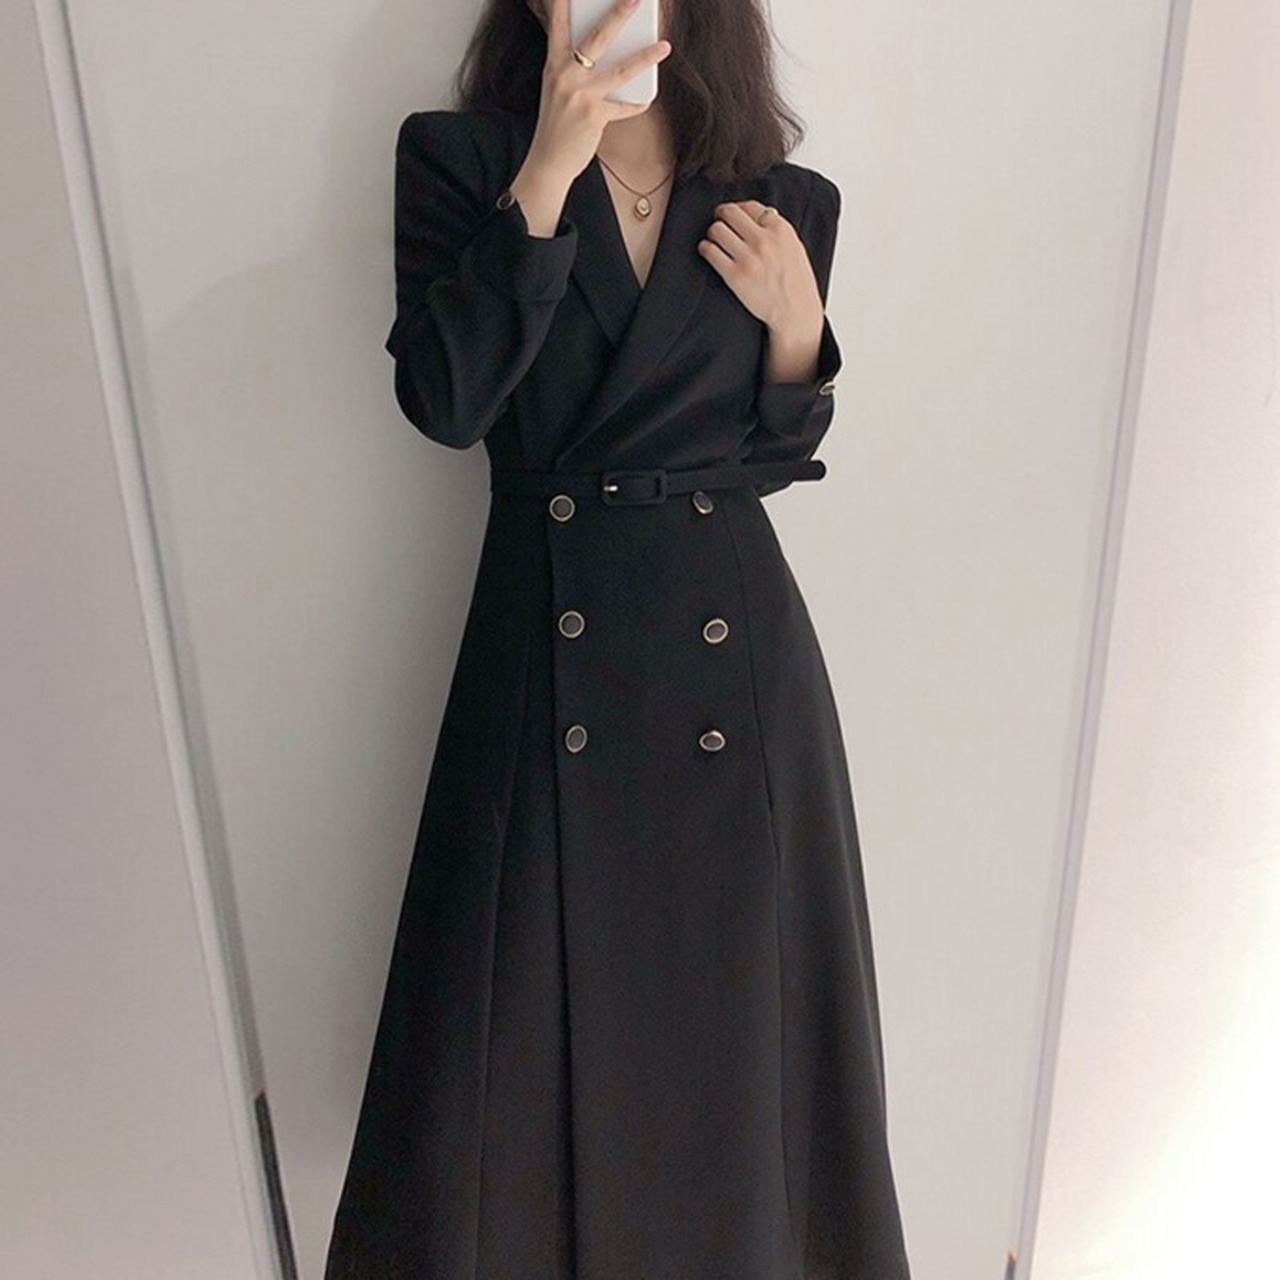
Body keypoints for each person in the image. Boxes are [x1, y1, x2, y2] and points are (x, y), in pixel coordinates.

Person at [324, 0, 912, 1274]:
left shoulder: (780, 200)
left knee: (738, 1033)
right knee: (505, 1041)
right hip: (545, 642)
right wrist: (547, 168)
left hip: (733, 663)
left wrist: (798, 328)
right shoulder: (462, 160)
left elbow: (768, 457)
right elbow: (445, 400)